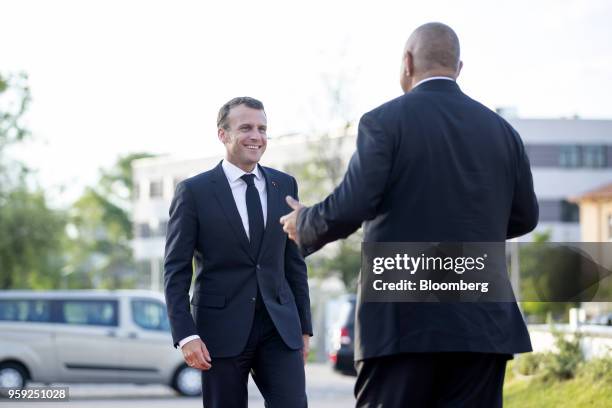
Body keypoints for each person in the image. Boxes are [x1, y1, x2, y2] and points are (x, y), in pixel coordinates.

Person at [280, 22, 538, 407]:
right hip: (482, 324)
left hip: (401, 323)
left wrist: (306, 222)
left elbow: (353, 204)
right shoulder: (502, 131)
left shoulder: (384, 122)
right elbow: (525, 216)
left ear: (407, 62)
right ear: (459, 67)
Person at [164, 97, 312, 408]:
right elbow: (176, 270)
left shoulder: (283, 185)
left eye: (262, 129)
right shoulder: (194, 192)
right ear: (223, 134)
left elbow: (293, 261)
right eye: (245, 127)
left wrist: (305, 327)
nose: (256, 136)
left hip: (279, 326)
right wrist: (186, 335)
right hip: (220, 330)